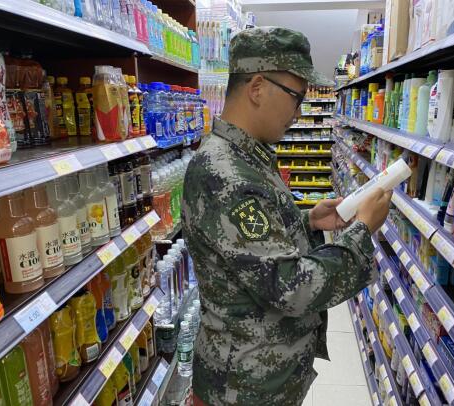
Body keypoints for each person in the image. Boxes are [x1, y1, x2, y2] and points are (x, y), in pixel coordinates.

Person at [182, 26, 392, 405]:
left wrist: (308, 221)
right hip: (241, 391)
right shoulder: (226, 173)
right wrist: (361, 230)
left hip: (261, 381)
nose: (298, 113)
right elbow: (293, 288)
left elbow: (252, 249)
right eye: (296, 97)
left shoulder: (247, 156)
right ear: (257, 88)